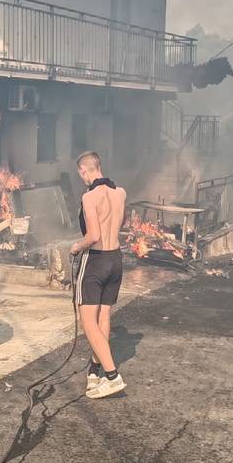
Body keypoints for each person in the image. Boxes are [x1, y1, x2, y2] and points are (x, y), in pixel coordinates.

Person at [70, 150, 127, 399]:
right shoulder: (120, 192)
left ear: (85, 170)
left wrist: (76, 247)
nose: (82, 178)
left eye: (80, 174)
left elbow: (93, 236)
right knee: (103, 315)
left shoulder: (89, 197)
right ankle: (95, 372)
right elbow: (119, 225)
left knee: (87, 321)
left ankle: (113, 376)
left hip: (95, 261)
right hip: (116, 259)